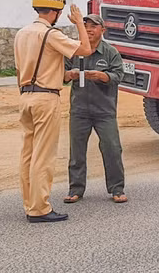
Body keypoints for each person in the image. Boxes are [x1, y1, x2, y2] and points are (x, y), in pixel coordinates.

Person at [14, 0, 93, 223]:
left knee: (27, 153)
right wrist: (79, 22)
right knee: (43, 156)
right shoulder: (51, 34)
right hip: (46, 97)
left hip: (25, 95)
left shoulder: (22, 33)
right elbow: (85, 50)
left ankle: (30, 203)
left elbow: (19, 70)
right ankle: (40, 208)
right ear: (57, 11)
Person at [62, 14, 128, 204]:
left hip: (104, 111)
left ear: (103, 30)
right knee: (77, 151)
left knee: (112, 148)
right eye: (86, 26)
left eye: (94, 26)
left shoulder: (110, 52)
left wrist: (101, 76)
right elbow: (61, 75)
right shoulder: (75, 51)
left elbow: (118, 76)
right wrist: (70, 75)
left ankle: (117, 189)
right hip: (79, 110)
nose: (89, 29)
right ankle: (75, 189)